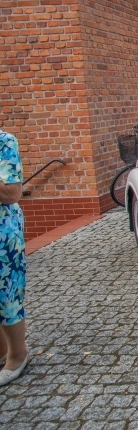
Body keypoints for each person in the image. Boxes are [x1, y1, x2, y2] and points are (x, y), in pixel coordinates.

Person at [0, 130, 30, 386]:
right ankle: (2, 351)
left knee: (7, 292)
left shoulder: (4, 141)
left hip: (3, 231)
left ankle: (17, 355)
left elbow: (11, 194)